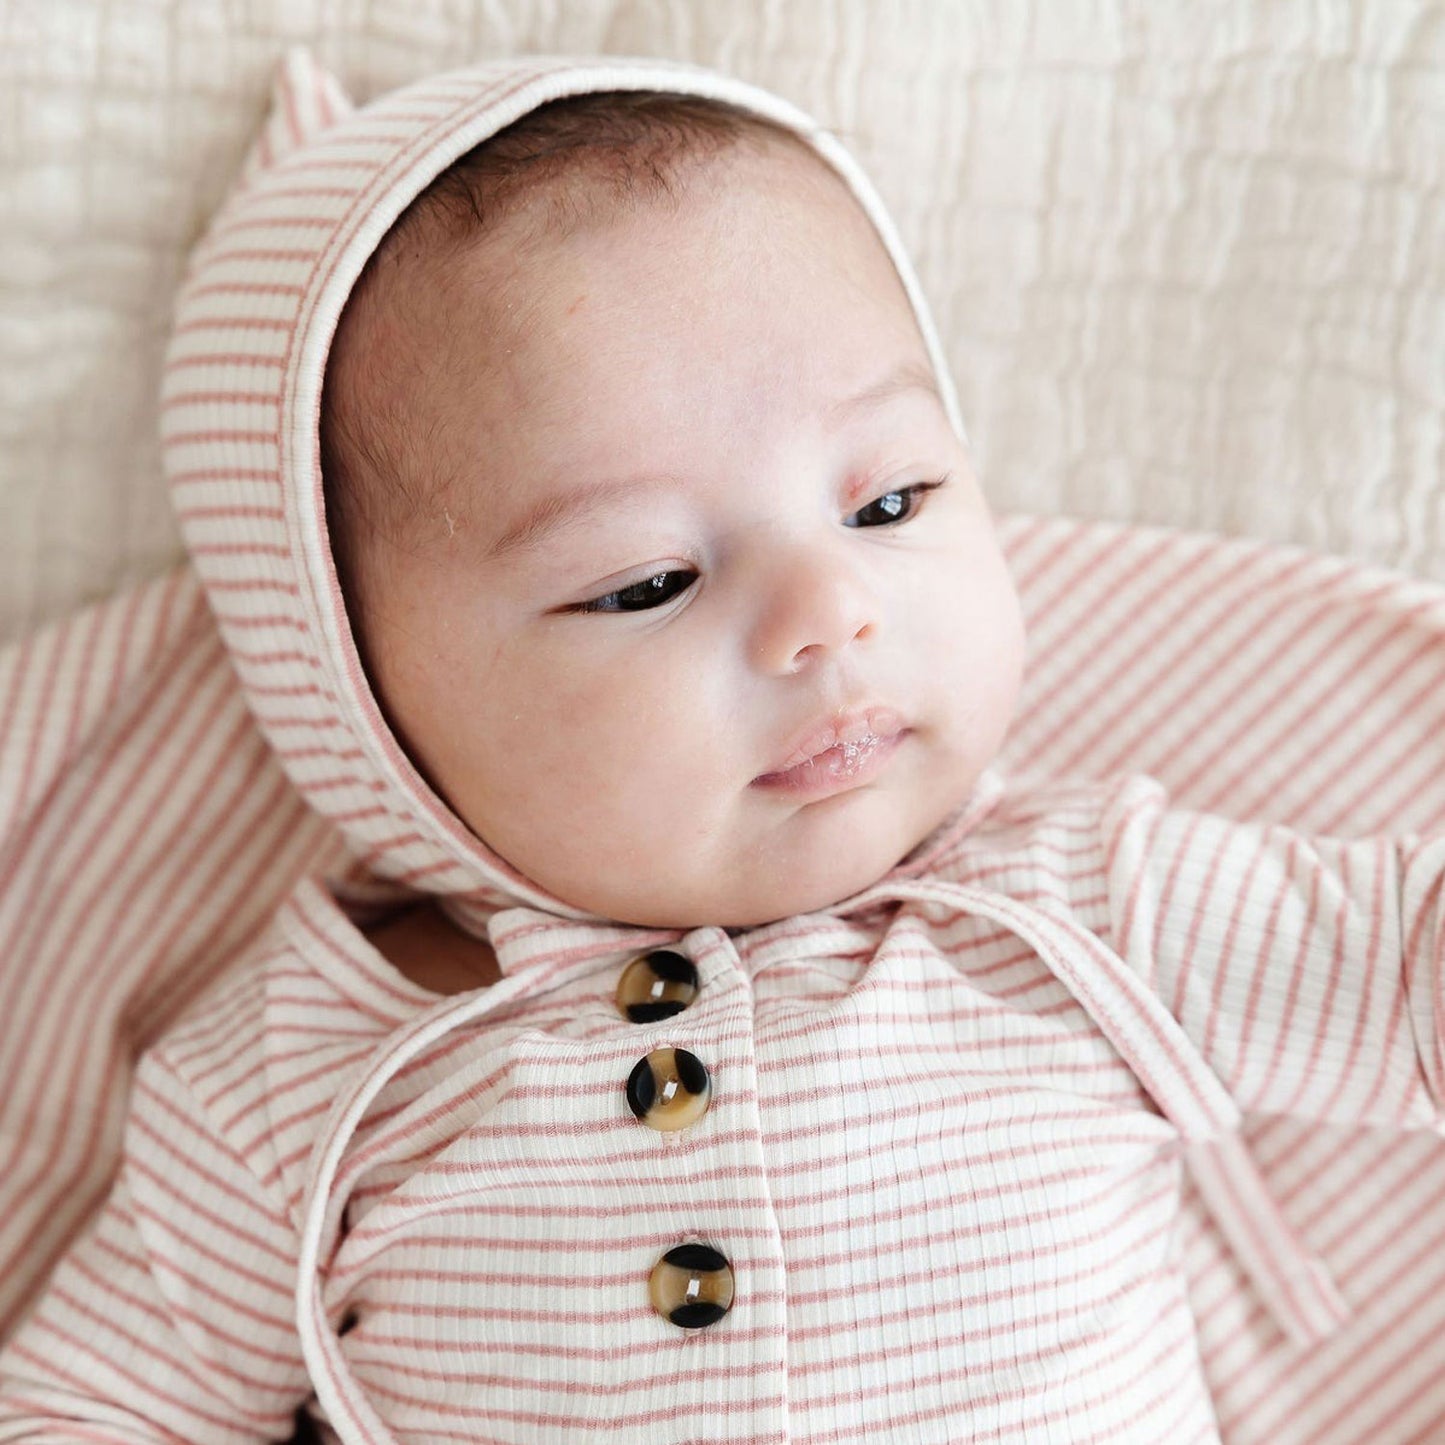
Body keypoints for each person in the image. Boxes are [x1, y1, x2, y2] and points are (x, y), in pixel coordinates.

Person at [1, 49, 1442, 1444]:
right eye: (647, 582)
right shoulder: (295, 1075)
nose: (829, 611)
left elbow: (1398, 968)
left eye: (889, 503)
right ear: (353, 698)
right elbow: (99, 1402)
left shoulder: (1081, 911)